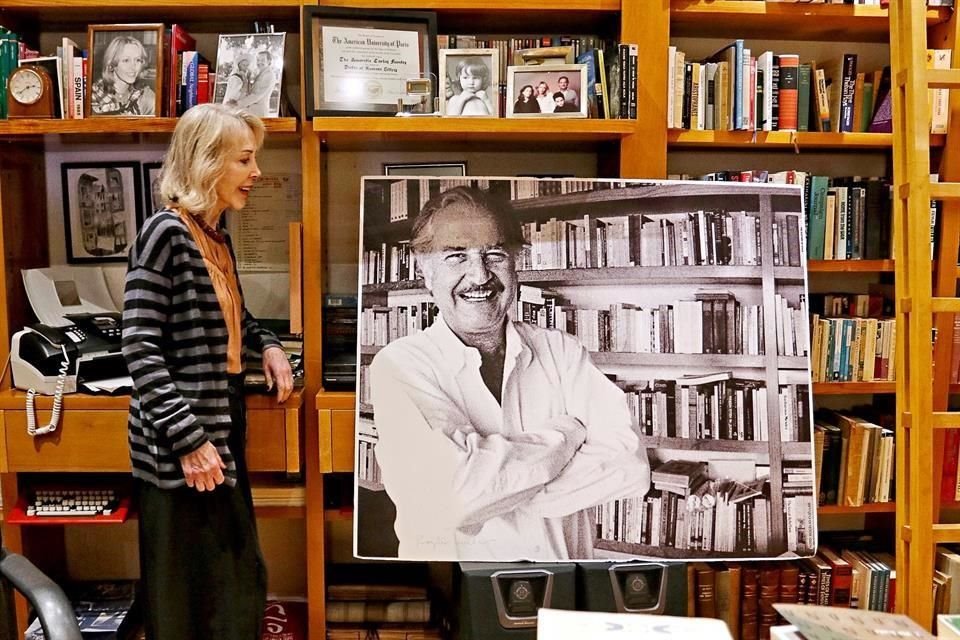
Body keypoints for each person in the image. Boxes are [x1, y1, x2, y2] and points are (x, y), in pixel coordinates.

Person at [369, 186, 650, 561]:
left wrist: (495, 490)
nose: (479, 275)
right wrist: (566, 436)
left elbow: (630, 466)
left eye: (495, 254)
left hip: (561, 588)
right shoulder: (399, 364)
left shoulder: (561, 351)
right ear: (425, 272)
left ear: (516, 264)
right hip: (457, 592)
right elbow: (454, 497)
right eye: (456, 256)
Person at [122, 103, 294, 640]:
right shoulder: (164, 235)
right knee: (186, 604)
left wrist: (267, 346)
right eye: (245, 160)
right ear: (207, 164)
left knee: (236, 586)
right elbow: (139, 346)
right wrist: (189, 440)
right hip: (182, 449)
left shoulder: (214, 236)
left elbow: (235, 317)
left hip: (220, 432)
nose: (256, 173)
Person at [90, 35, 156, 115]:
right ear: (111, 64)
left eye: (138, 60)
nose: (133, 66)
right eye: (126, 60)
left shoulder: (145, 95)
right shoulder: (94, 95)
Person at [235, 50, 277, 117]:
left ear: (269, 61)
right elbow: (252, 91)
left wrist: (237, 104)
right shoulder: (260, 73)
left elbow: (256, 96)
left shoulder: (269, 75)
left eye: (262, 60)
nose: (259, 62)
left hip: (259, 113)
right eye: (258, 60)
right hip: (253, 112)